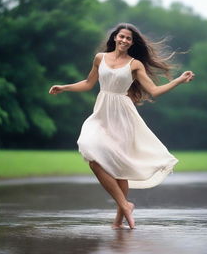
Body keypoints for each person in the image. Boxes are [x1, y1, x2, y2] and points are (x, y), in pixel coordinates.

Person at [49, 23, 195, 230]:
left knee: (119, 168)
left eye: (129, 38)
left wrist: (179, 80)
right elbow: (89, 83)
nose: (124, 40)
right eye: (122, 36)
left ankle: (120, 217)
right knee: (91, 152)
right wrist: (64, 87)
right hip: (101, 114)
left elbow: (153, 90)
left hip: (123, 116)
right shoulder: (100, 58)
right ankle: (126, 204)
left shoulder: (135, 64)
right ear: (115, 38)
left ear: (132, 43)